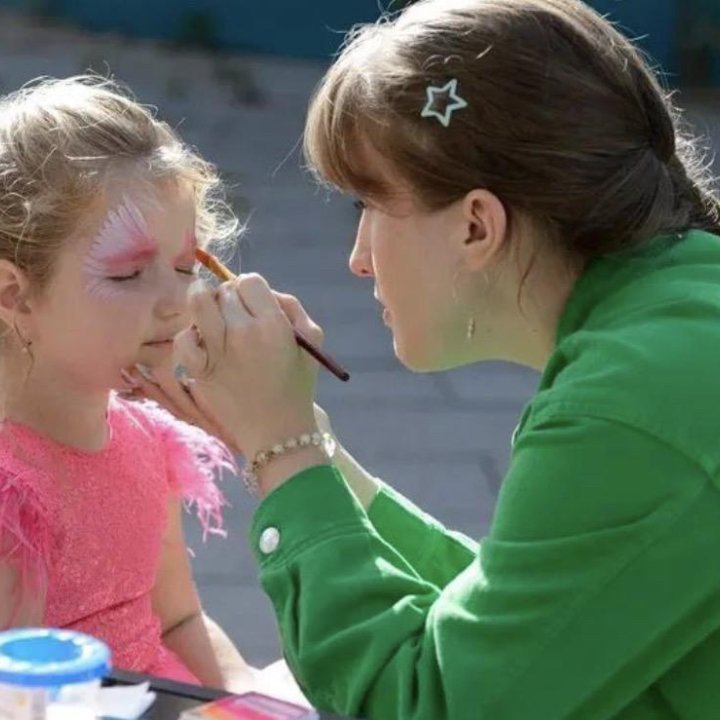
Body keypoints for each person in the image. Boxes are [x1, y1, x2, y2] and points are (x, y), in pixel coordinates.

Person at [165, 0, 720, 717]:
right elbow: (531, 625)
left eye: (367, 206)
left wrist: (282, 453)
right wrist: (311, 448)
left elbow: (432, 702)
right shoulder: (678, 316)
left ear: (477, 225)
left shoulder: (626, 406)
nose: (358, 260)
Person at [0, 76, 256, 691]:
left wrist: (247, 697)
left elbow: (179, 619)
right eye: (128, 275)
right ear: (14, 293)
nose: (179, 301)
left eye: (184, 267)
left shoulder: (145, 437)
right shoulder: (12, 495)